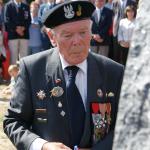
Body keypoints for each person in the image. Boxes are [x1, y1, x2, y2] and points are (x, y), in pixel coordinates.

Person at [3, 1, 124, 150]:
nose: (77, 41)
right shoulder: (32, 69)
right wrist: (42, 146)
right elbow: (13, 121)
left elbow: (125, 123)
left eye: (83, 32)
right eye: (67, 35)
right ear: (52, 37)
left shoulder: (113, 72)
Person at [4, 0, 31, 64]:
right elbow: (7, 20)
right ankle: (13, 73)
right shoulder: (8, 5)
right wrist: (17, 29)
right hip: (13, 35)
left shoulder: (26, 6)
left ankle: (23, 72)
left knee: (24, 57)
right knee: (13, 57)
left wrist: (23, 28)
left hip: (24, 35)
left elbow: (29, 20)